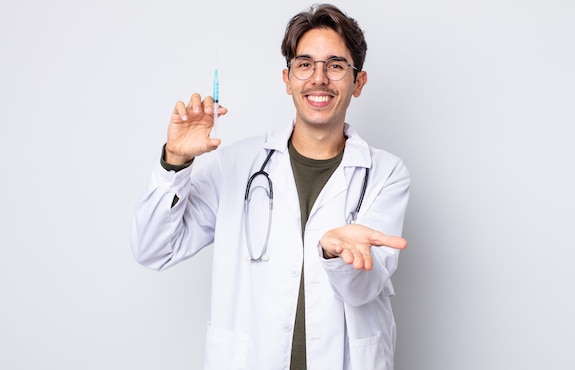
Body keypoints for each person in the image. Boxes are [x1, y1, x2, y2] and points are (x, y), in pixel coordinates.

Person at [131, 3, 410, 369]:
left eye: (336, 65)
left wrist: (334, 256)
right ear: (287, 79)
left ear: (358, 83)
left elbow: (363, 289)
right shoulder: (236, 165)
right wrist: (175, 163)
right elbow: (153, 250)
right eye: (305, 64)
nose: (319, 78)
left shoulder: (385, 173)